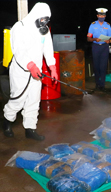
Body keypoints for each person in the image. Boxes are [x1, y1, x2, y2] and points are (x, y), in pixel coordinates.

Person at [2, 2, 58, 141]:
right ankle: (7, 121)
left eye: (47, 19)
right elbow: (18, 50)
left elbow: (48, 49)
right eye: (43, 18)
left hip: (37, 72)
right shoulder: (19, 27)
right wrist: (30, 65)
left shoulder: (44, 29)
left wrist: (52, 67)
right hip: (21, 70)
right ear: (36, 14)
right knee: (18, 99)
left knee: (34, 100)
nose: (44, 22)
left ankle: (30, 128)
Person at [87, 8, 111, 91]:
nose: (102, 16)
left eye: (103, 15)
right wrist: (95, 39)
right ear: (97, 15)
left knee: (103, 66)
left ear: (105, 16)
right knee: (96, 66)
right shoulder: (93, 25)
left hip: (104, 47)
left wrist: (109, 40)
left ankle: (102, 85)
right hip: (96, 47)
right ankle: (97, 83)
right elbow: (88, 38)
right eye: (100, 15)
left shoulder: (107, 25)